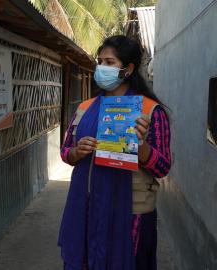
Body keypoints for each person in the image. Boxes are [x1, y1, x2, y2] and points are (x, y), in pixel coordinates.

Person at [58, 35, 171, 270]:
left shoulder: (150, 111)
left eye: (109, 62)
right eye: (99, 62)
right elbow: (65, 151)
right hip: (88, 206)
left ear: (127, 69)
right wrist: (77, 152)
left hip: (130, 212)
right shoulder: (85, 108)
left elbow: (162, 168)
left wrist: (140, 147)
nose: (101, 68)